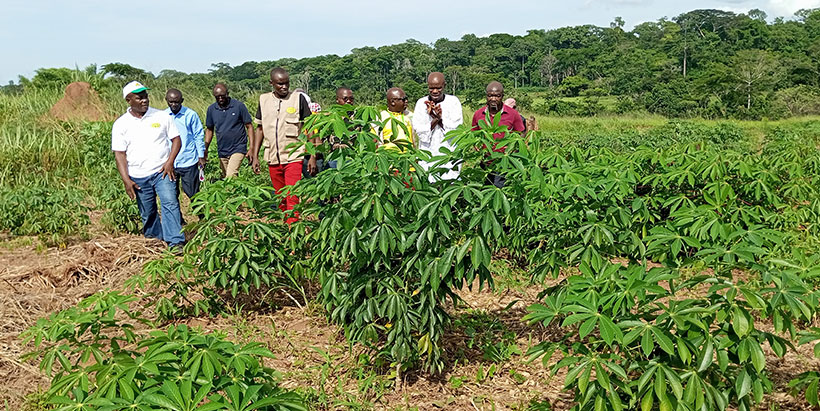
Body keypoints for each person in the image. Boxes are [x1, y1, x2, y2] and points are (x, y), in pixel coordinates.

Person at [111, 81, 185, 250]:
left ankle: (175, 241)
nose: (145, 100)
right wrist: (126, 180)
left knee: (170, 203)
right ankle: (154, 242)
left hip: (162, 171)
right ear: (128, 100)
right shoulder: (121, 124)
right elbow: (119, 154)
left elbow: (176, 140)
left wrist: (170, 162)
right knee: (148, 211)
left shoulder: (161, 116)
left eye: (146, 96)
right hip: (138, 175)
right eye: (139, 98)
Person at [250, 68, 315, 224]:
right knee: (281, 198)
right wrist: (255, 155)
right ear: (271, 83)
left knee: (292, 196)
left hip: (293, 156)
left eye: (287, 83)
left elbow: (311, 128)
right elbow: (260, 129)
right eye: (280, 84)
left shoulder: (298, 99)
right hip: (273, 157)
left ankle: (295, 234)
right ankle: (287, 230)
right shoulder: (263, 100)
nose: (284, 87)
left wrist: (312, 156)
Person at [471, 81, 525, 188]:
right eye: (490, 95)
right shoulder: (478, 114)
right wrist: (476, 146)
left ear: (502, 96)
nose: (493, 99)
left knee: (500, 188)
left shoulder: (512, 114)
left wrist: (512, 148)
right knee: (487, 188)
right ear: (486, 96)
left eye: (497, 96)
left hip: (505, 162)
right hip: (486, 162)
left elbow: (521, 132)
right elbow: (474, 134)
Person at [412, 72, 463, 181]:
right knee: (429, 186)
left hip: (449, 152)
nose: (435, 91)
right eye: (431, 88)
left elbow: (455, 129)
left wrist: (439, 118)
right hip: (428, 153)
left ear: (444, 85)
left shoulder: (453, 102)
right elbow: (420, 132)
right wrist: (434, 118)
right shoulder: (421, 103)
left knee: (449, 185)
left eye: (438, 88)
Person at [164, 88, 205, 204]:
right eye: (170, 102)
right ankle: (178, 220)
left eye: (176, 102)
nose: (173, 104)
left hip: (188, 160)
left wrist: (201, 156)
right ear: (166, 100)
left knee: (193, 192)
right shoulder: (163, 116)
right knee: (172, 194)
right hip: (170, 162)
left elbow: (198, 136)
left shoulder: (190, 115)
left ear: (182, 100)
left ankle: (202, 216)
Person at [205, 83, 254, 178]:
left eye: (222, 96)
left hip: (238, 147)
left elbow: (249, 126)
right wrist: (205, 148)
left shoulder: (239, 106)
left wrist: (251, 148)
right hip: (222, 149)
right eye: (217, 97)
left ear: (227, 93)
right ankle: (238, 193)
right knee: (226, 179)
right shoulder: (211, 109)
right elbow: (209, 129)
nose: (220, 99)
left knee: (230, 176)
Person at [325, 87, 355, 169]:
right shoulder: (329, 117)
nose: (349, 101)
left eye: (351, 99)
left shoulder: (358, 117)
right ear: (337, 100)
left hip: (352, 156)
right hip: (334, 156)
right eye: (345, 99)